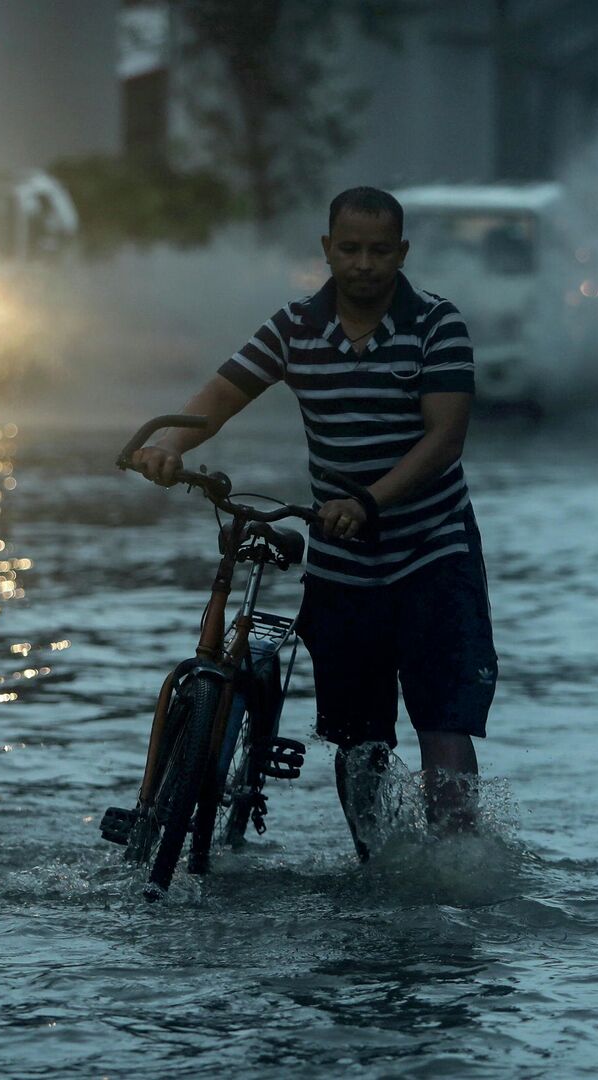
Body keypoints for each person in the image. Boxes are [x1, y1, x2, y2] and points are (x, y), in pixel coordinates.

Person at [128, 186, 499, 860]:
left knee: (442, 721)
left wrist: (367, 503)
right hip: (342, 561)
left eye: (378, 251)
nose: (363, 264)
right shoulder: (295, 326)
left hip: (432, 552)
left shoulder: (436, 324)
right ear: (327, 250)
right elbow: (220, 396)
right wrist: (173, 445)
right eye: (349, 249)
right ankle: (378, 864)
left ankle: (457, 864)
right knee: (358, 737)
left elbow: (445, 438)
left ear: (402, 254)